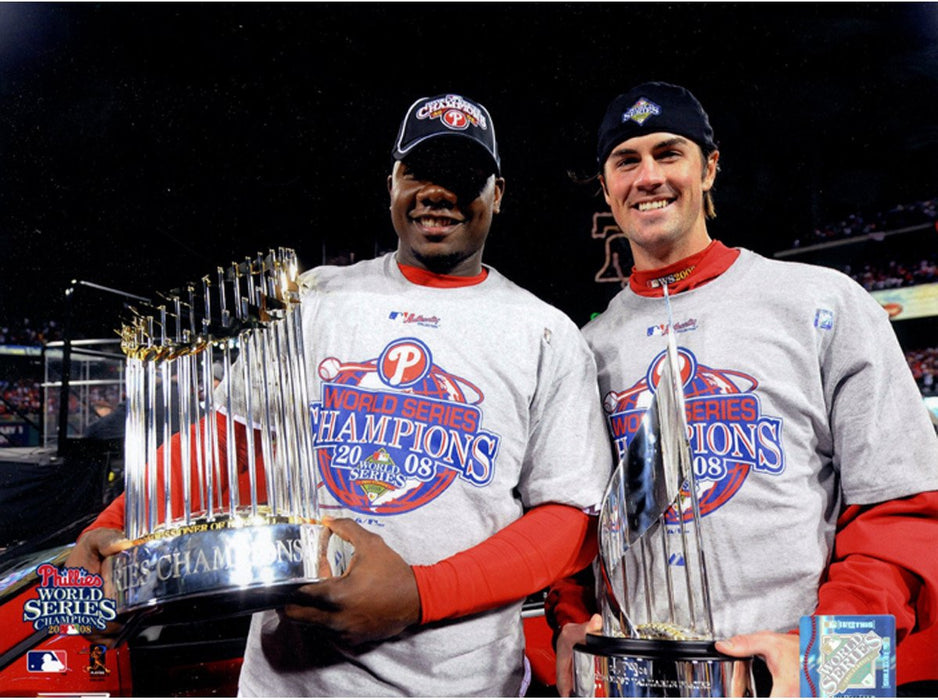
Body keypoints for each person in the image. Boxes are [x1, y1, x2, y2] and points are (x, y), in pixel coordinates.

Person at [67, 93, 613, 696]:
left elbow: (566, 518)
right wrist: (117, 521)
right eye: (418, 173)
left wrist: (419, 595)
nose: (437, 194)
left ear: (498, 195)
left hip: (457, 683)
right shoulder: (317, 298)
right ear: (391, 184)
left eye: (462, 178)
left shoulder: (545, 332)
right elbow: (234, 439)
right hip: (290, 680)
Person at [549, 81, 938, 696]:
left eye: (668, 153)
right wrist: (570, 625)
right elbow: (578, 528)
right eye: (626, 161)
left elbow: (906, 511)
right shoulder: (586, 349)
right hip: (636, 680)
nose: (648, 175)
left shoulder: (821, 302)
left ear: (709, 168)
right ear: (606, 189)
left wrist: (832, 665)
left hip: (796, 681)